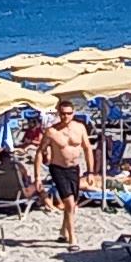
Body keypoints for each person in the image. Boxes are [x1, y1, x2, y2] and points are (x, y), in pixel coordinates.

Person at [37, 103, 96, 246]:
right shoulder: (52, 131)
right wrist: (38, 177)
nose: (66, 116)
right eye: (63, 113)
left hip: (74, 169)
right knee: (69, 203)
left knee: (73, 203)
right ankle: (72, 238)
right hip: (58, 168)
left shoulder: (80, 128)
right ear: (59, 113)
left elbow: (88, 149)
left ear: (73, 113)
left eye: (68, 113)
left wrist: (90, 172)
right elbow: (39, 152)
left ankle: (63, 231)